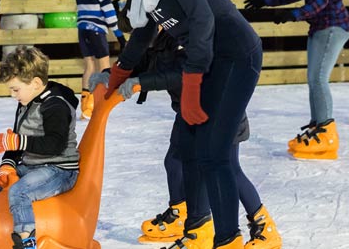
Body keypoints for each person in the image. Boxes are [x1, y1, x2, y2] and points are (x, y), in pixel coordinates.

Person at [86, 0, 262, 249]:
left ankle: (228, 241)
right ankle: (200, 231)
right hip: (206, 59)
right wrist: (118, 73)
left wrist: (192, 81)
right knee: (190, 149)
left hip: (234, 55)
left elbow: (203, 19)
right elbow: (144, 29)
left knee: (214, 154)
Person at [106, 29, 280, 248]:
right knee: (174, 162)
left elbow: (182, 73)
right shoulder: (161, 39)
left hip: (220, 111)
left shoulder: (187, 34)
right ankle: (181, 215)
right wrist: (109, 75)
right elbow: (145, 63)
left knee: (229, 170)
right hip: (188, 114)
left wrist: (143, 81)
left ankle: (264, 226)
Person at [244, 0, 349, 161]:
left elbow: (322, 1)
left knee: (318, 78)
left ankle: (327, 134)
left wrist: (293, 15)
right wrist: (266, 0)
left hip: (332, 25)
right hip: (319, 26)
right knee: (313, 79)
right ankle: (318, 127)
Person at [0, 46, 79, 249]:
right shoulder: (27, 99)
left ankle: (26, 240)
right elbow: (16, 138)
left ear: (36, 83)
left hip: (59, 169)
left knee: (20, 191)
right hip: (32, 166)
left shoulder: (56, 106)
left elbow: (55, 144)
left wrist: (18, 142)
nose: (13, 95)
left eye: (15, 89)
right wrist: (7, 164)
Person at [76, 0, 125, 120]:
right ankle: (100, 103)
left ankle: (86, 105)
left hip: (83, 31)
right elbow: (110, 16)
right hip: (97, 31)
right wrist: (120, 36)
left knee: (89, 66)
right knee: (104, 67)